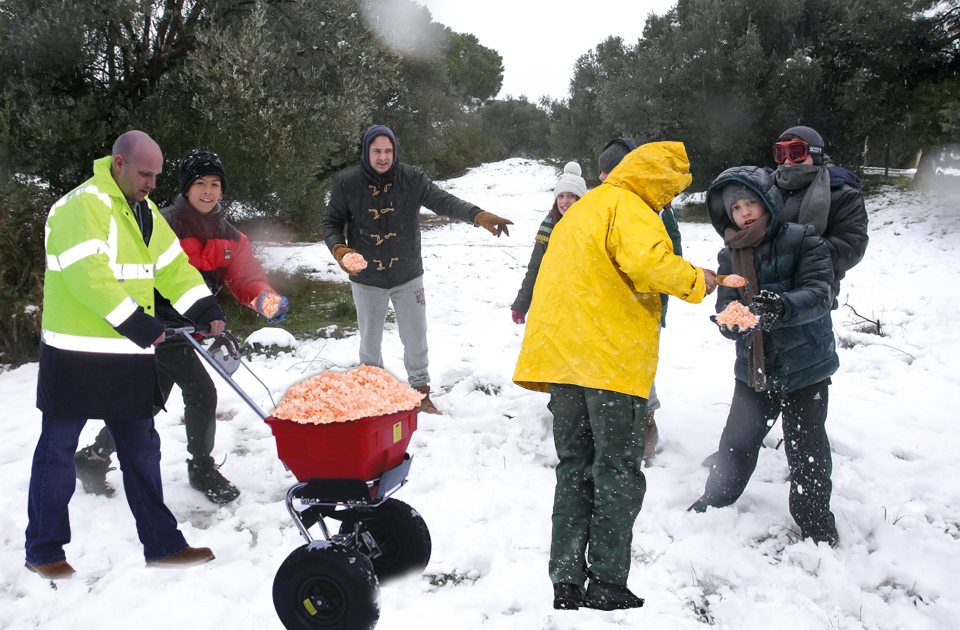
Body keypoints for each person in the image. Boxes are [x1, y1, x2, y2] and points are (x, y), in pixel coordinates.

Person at [513, 141, 717, 611]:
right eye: (669, 189)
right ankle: (606, 582)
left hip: (562, 362)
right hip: (610, 365)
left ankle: (565, 579)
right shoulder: (631, 207)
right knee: (617, 471)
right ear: (655, 179)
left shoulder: (582, 210)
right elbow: (649, 264)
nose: (668, 199)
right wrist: (696, 280)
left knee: (573, 468)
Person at [26, 130, 225, 579]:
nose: (152, 184)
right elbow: (88, 276)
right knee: (57, 451)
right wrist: (137, 322)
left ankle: (163, 545)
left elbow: (172, 267)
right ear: (119, 163)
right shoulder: (81, 206)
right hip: (75, 355)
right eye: (144, 174)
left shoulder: (143, 212)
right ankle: (43, 551)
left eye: (156, 176)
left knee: (142, 450)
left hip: (127, 356)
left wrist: (204, 307)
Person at [74, 149, 288, 504]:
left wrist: (264, 299)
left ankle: (93, 457)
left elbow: (245, 278)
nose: (208, 191)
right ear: (186, 188)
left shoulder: (230, 237)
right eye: (200, 183)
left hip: (190, 330)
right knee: (201, 391)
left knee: (147, 401)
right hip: (157, 326)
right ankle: (201, 467)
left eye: (215, 184)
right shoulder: (161, 224)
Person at [689, 165, 840, 548]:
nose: (744, 213)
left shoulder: (803, 239)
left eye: (750, 203)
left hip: (805, 367)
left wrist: (782, 307)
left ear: (767, 202)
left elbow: (821, 293)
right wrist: (730, 322)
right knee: (737, 442)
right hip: (754, 369)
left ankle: (816, 525)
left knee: (806, 450)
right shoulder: (729, 256)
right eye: (735, 208)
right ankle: (715, 501)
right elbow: (727, 302)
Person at [323, 124, 513, 414]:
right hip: (366, 277)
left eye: (388, 151)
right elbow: (331, 223)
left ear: (395, 151)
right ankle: (372, 394)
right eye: (377, 151)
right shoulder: (347, 182)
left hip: (407, 274)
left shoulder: (411, 178)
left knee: (415, 338)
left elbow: (443, 201)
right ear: (366, 152)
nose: (383, 157)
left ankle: (420, 394)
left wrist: (476, 215)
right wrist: (340, 249)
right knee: (369, 342)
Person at [597, 137, 685, 463]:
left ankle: (646, 429)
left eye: (610, 173)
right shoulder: (602, 206)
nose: (605, 180)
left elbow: (668, 259)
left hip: (642, 308)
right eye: (602, 175)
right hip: (606, 308)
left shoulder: (652, 209)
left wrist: (658, 302)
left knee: (639, 372)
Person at [770, 125, 868, 305]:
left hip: (813, 294)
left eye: (796, 153)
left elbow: (851, 248)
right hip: (764, 287)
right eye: (780, 153)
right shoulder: (765, 189)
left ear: (814, 154)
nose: (787, 161)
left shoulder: (842, 195)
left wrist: (792, 250)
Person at [510, 161, 586, 323]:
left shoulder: (590, 224)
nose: (565, 201)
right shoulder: (549, 225)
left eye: (571, 196)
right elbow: (535, 266)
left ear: (580, 198)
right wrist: (521, 305)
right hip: (553, 298)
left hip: (584, 300)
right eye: (561, 196)